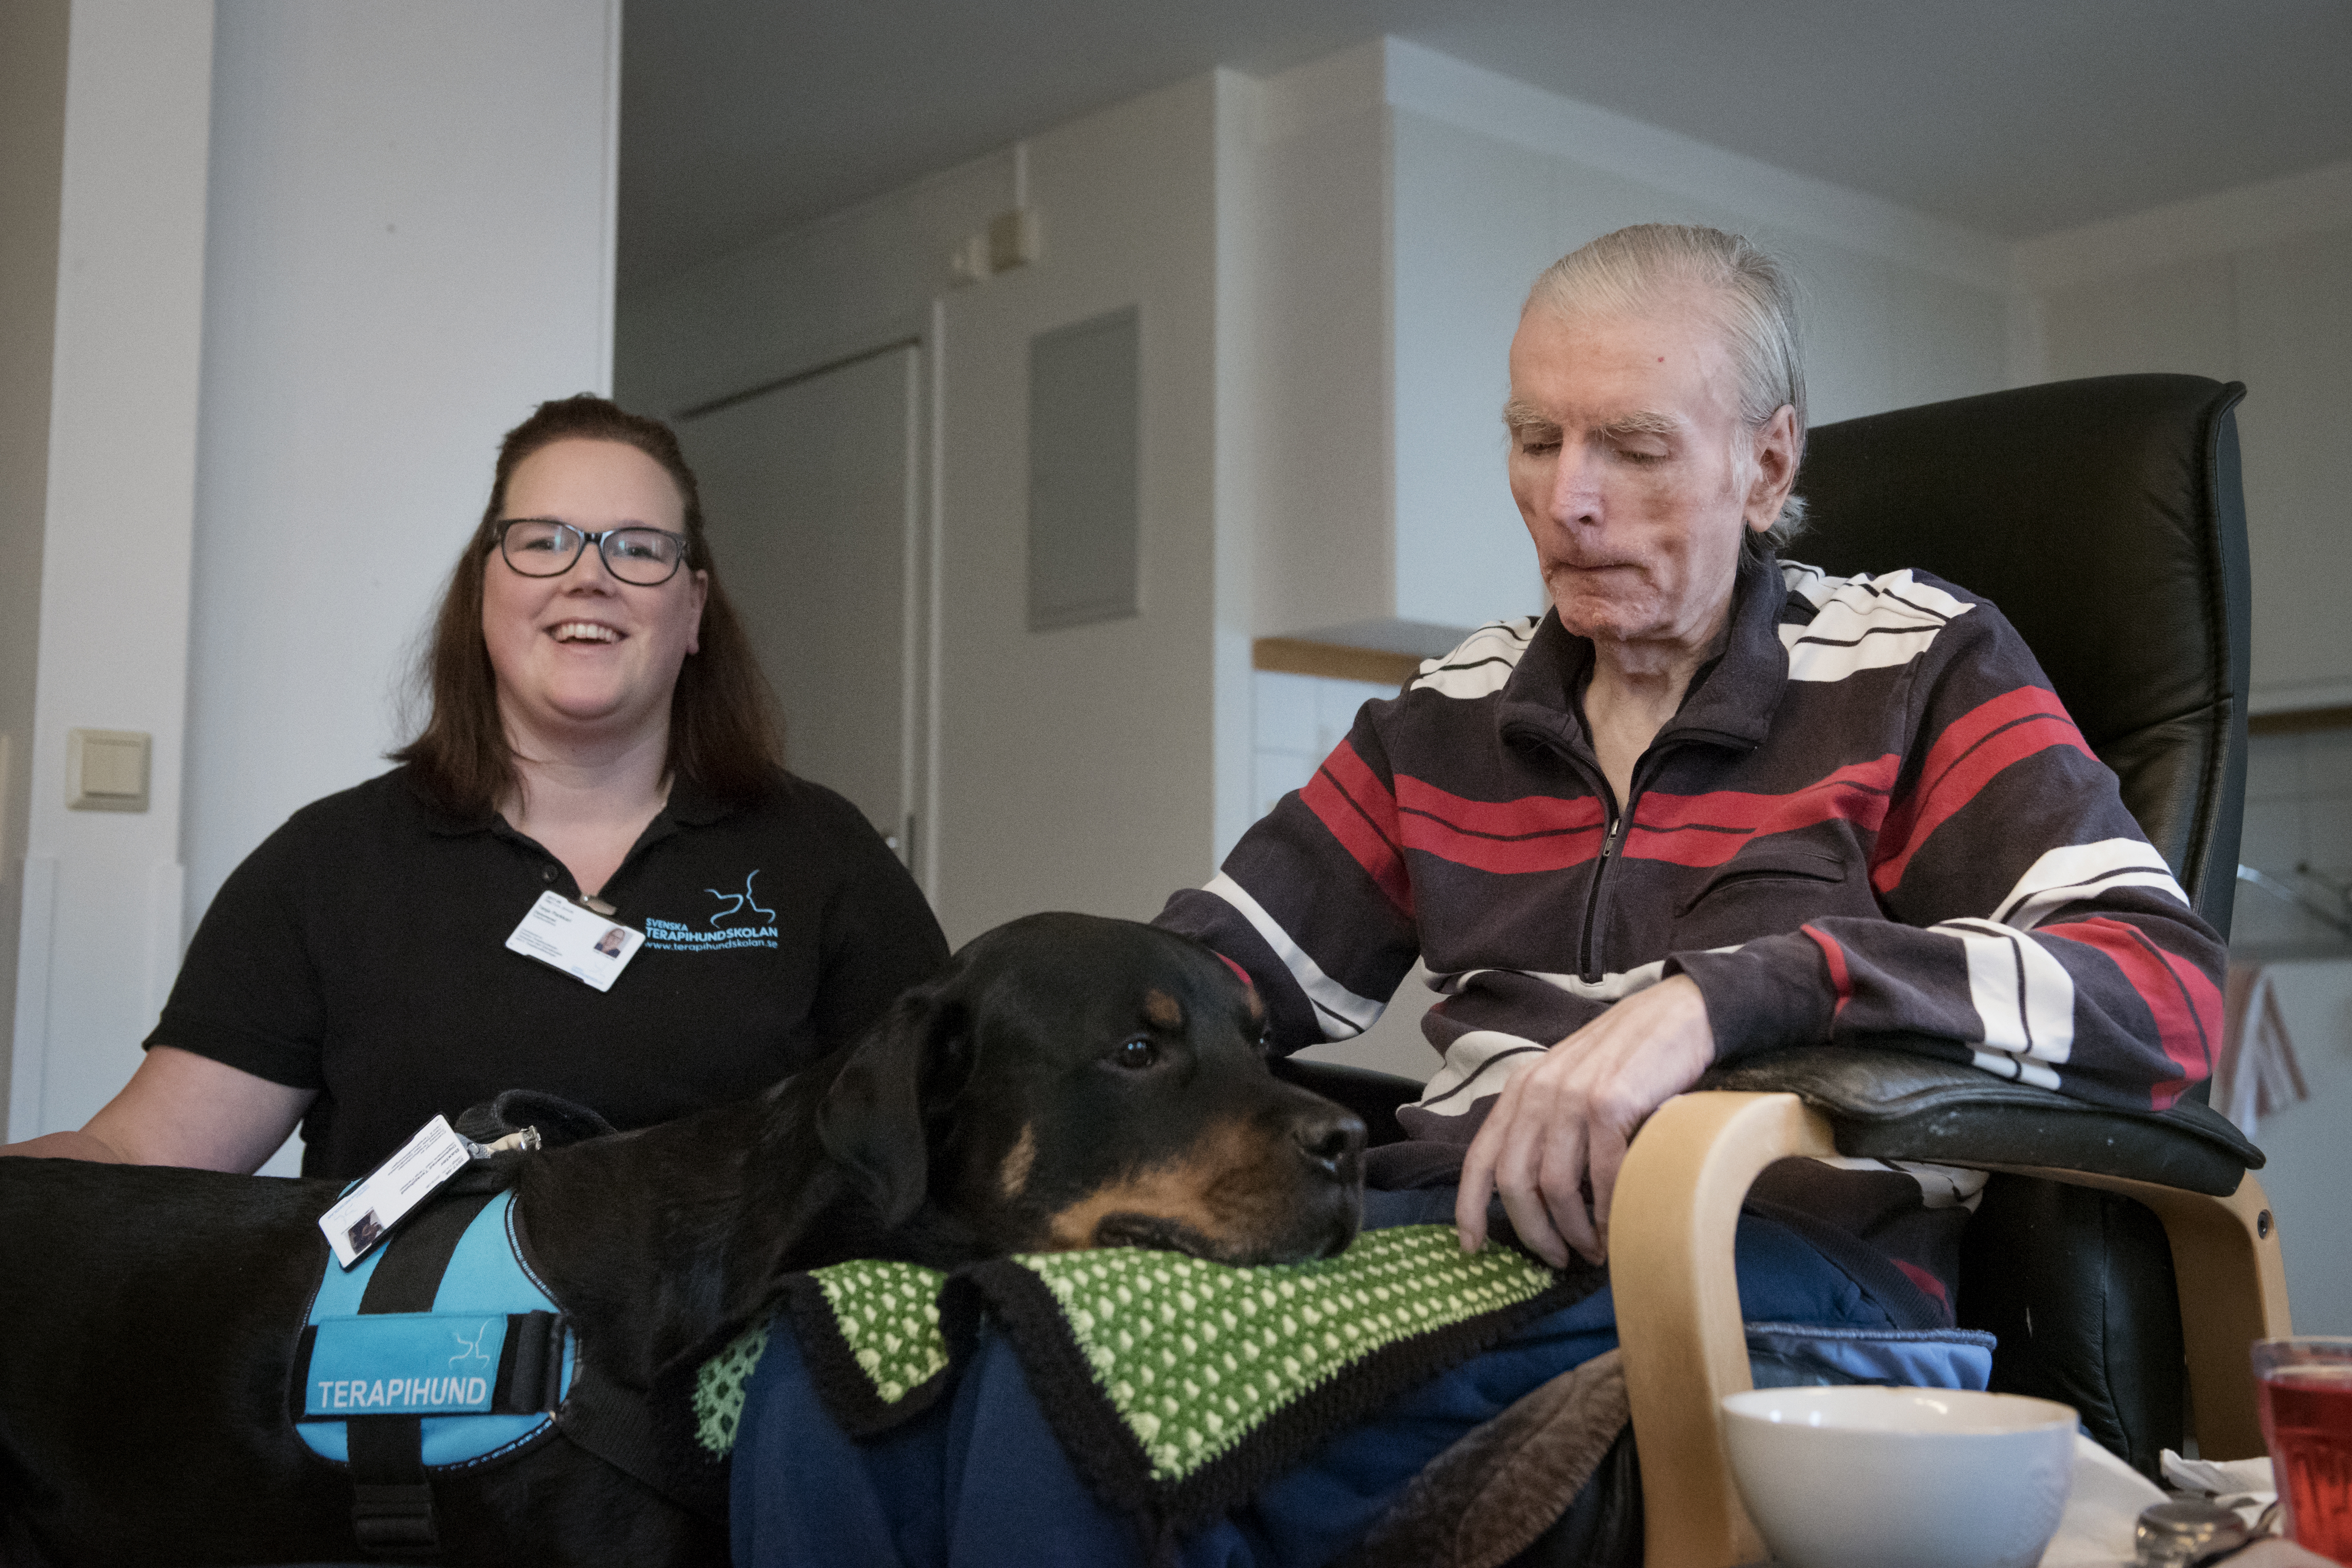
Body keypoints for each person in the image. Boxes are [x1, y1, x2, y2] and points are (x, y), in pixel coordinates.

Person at [727, 225, 2226, 1566]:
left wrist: (1721, 1001)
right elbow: (1211, 979)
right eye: (1534, 438)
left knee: (1077, 1370)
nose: (1567, 499)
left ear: (1767, 464)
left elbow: (2163, 989)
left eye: (1632, 444)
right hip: (1445, 1229)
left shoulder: (1917, 661)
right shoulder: (1447, 712)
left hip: (1761, 1251)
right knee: (841, 1351)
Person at [3, 395, 948, 1179]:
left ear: (692, 608)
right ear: (485, 589)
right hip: (399, 1381)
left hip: (714, 1384)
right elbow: (141, 1151)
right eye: (544, 542)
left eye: (639, 548)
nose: (590, 578)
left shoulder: (821, 856)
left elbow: (942, 1145)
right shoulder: (328, 866)